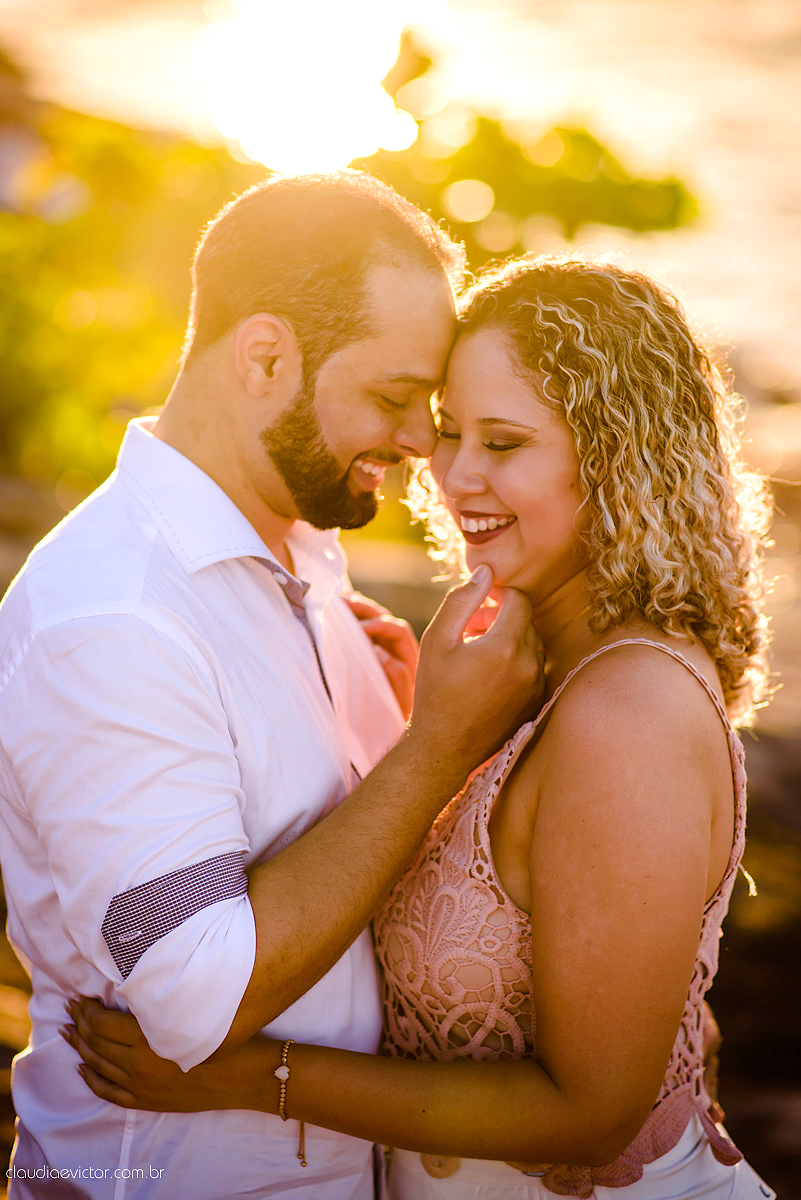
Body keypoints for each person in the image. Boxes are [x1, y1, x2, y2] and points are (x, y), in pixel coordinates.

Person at [66, 255, 777, 1200]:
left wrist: (250, 1077)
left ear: (618, 457)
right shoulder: (533, 664)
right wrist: (411, 716)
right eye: (448, 433)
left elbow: (594, 1111)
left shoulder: (628, 711)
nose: (452, 475)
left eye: (504, 442)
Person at [0, 172, 542, 1200]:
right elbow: (197, 997)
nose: (425, 442)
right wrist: (437, 745)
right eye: (393, 398)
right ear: (263, 358)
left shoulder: (294, 553)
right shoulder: (116, 617)